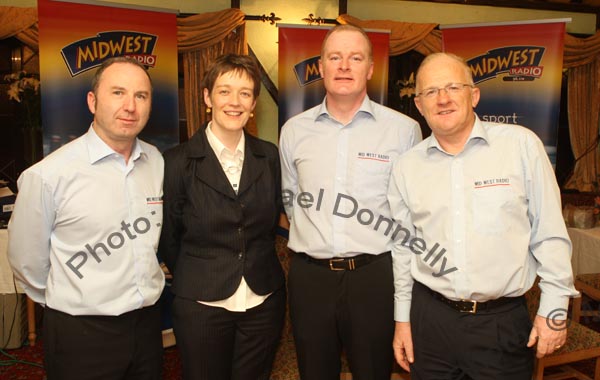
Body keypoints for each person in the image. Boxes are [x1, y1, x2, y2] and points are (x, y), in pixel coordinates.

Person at [387, 52, 579, 380]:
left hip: (500, 326)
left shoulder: (521, 147)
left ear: (474, 95)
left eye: (453, 87)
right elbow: (403, 250)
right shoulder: (407, 166)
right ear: (419, 105)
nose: (443, 99)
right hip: (430, 323)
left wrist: (554, 310)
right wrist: (402, 320)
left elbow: (550, 234)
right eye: (431, 92)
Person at [8, 56, 165, 380]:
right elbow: (27, 263)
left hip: (147, 327)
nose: (130, 106)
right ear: (92, 101)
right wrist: (73, 297)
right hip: (81, 334)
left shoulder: (156, 160)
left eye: (141, 96)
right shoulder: (48, 175)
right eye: (118, 92)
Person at [279, 24, 422, 380]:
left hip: (373, 278)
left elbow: (411, 215)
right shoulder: (293, 131)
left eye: (355, 58)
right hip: (309, 278)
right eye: (335, 57)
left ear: (370, 69)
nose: (344, 66)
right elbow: (292, 199)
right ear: (322, 67)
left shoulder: (404, 130)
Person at [158, 53, 285, 380]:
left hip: (263, 299)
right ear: (207, 97)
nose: (235, 101)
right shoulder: (177, 161)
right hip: (201, 303)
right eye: (225, 91)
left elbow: (269, 225)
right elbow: (169, 237)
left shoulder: (268, 155)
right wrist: (200, 270)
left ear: (254, 102)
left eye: (245, 93)